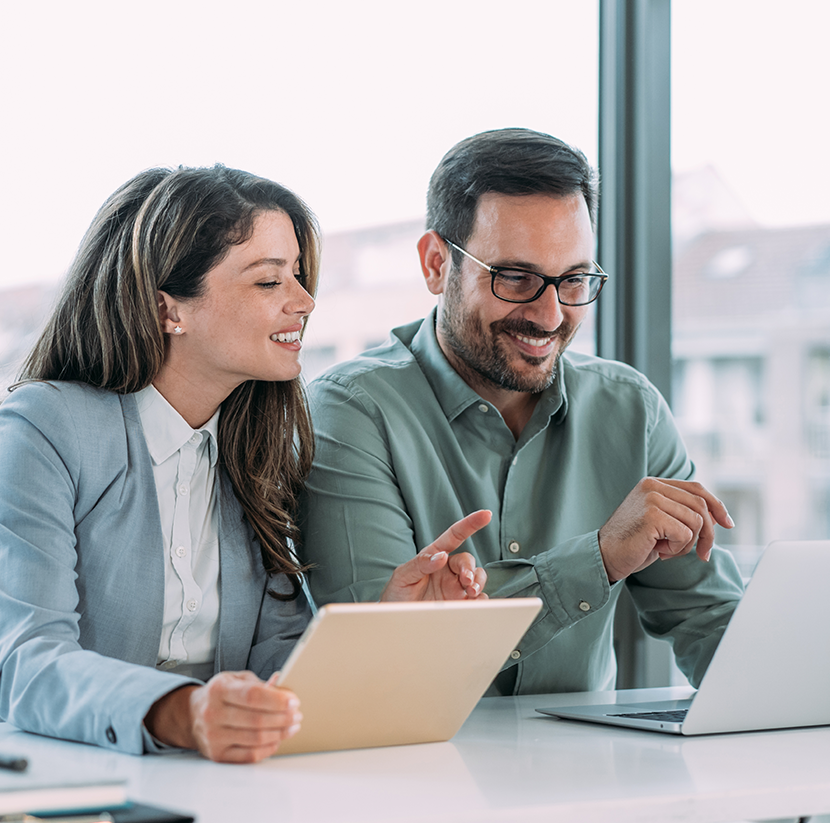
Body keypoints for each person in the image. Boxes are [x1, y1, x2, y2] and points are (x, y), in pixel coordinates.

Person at [0, 165, 488, 765]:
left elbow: (275, 672)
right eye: (269, 282)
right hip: (23, 790)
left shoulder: (251, 452)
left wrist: (392, 632)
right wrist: (183, 713)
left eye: (297, 275)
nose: (305, 301)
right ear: (170, 311)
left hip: (194, 789)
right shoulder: (43, 430)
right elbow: (29, 665)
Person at [302, 128, 745, 701]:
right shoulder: (349, 412)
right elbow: (377, 661)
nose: (550, 314)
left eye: (575, 280)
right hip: (414, 777)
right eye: (516, 278)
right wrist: (599, 557)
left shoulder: (630, 410)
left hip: (586, 779)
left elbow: (708, 620)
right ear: (437, 264)